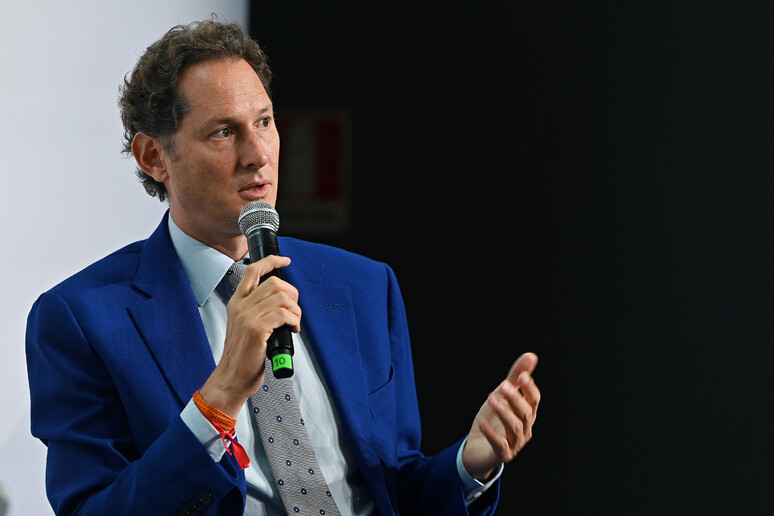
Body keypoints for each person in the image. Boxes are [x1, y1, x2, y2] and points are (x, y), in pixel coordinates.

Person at [26, 20, 540, 516]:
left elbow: (396, 488)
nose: (257, 155)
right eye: (223, 132)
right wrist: (218, 399)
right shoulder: (81, 320)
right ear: (153, 157)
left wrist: (470, 464)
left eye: (264, 122)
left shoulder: (363, 286)